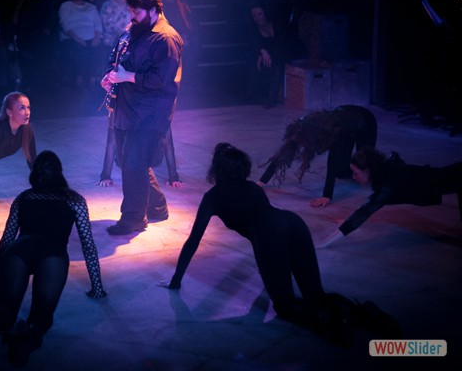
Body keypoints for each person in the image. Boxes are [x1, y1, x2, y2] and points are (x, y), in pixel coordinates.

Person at [162, 143, 401, 346]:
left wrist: (176, 280)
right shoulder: (254, 189)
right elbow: (267, 223)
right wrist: (270, 262)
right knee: (316, 295)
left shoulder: (213, 197)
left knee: (284, 306)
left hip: (270, 234)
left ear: (217, 169)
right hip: (294, 223)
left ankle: (329, 325)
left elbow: (194, 241)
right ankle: (368, 317)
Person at [0, 150, 106, 367]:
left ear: (34, 174)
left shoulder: (24, 198)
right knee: (41, 317)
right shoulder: (75, 201)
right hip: (52, 257)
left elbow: (6, 240)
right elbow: (88, 245)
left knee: (5, 310)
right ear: (60, 173)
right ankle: (27, 340)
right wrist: (97, 287)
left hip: (19, 251)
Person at [100, 0, 183, 234]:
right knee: (132, 161)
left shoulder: (166, 38)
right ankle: (156, 207)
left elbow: (161, 80)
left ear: (153, 9)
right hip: (128, 108)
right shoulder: (134, 29)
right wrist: (111, 76)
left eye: (136, 11)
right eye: (130, 11)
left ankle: (133, 218)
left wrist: (128, 77)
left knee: (134, 163)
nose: (132, 16)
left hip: (150, 113)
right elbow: (118, 56)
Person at [317, 146, 462, 248]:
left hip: (447, 179)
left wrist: (324, 242)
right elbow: (395, 157)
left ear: (367, 171)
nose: (353, 177)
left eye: (356, 173)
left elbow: (364, 212)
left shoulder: (386, 187)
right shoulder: (385, 169)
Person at [258, 105, 378, 207]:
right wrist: (261, 182)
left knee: (364, 161)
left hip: (364, 121)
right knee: (341, 171)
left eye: (303, 144)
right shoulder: (300, 129)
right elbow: (283, 155)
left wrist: (327, 195)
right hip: (346, 119)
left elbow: (333, 160)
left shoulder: (333, 133)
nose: (301, 146)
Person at [246, 2, 304, 108]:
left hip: (285, 52)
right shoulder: (254, 29)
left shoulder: (276, 24)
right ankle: (262, 94)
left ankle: (273, 96)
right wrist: (262, 52)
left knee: (276, 61)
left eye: (259, 14)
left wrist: (265, 53)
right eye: (254, 16)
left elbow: (281, 45)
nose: (257, 18)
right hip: (270, 56)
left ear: (265, 13)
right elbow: (255, 44)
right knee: (263, 62)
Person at [57, 0, 104, 92]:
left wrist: (97, 37)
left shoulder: (91, 7)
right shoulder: (66, 5)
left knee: (97, 48)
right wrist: (77, 39)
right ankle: (79, 81)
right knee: (78, 49)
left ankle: (92, 80)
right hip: (73, 37)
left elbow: (98, 24)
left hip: (91, 37)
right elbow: (65, 24)